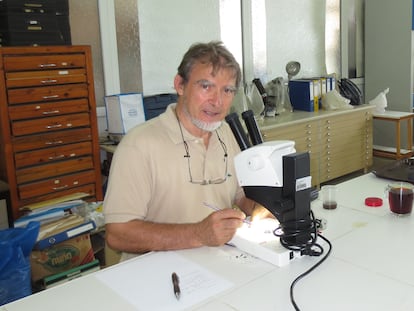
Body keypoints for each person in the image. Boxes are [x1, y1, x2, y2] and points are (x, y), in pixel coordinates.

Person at [103, 41, 267, 261]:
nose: (217, 101)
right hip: (159, 276)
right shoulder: (138, 145)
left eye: (227, 90)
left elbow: (242, 195)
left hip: (219, 263)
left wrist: (265, 209)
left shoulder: (227, 133)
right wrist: (198, 234)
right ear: (180, 85)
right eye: (206, 86)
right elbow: (117, 234)